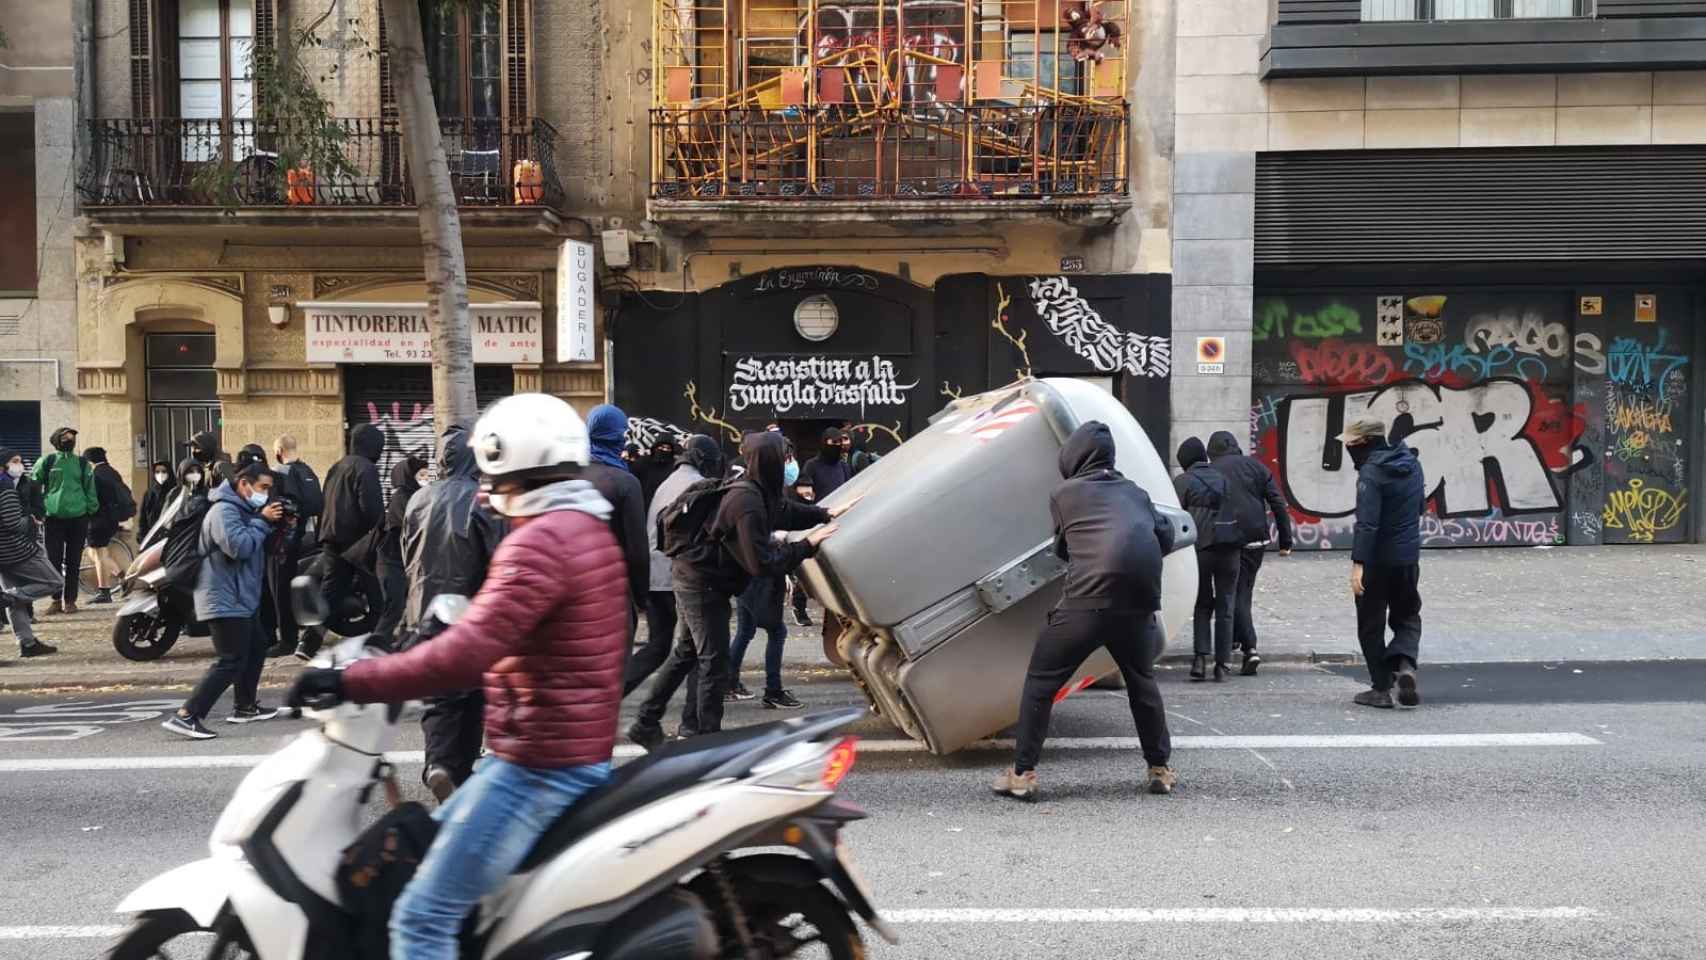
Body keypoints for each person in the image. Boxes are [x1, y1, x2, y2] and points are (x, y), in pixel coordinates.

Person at [288, 392, 626, 960]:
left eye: (496, 479)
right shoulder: (584, 525)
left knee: (421, 918)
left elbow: (467, 655)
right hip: (571, 749)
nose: (489, 497)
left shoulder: (539, 541)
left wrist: (357, 682)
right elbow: (518, 626)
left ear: (515, 466)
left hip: (536, 766)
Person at [993, 421, 1176, 802]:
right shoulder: (1136, 492)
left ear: (1074, 457)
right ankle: (1160, 769)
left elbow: (1062, 548)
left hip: (1086, 604)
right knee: (1142, 682)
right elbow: (1165, 536)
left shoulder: (1064, 494)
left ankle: (1023, 774)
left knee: (1041, 683)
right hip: (1138, 606)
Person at [629, 431, 843, 748]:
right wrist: (807, 545)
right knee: (714, 661)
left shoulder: (755, 491)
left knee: (688, 653)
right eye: (782, 458)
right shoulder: (747, 500)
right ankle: (707, 743)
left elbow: (784, 511)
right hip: (702, 584)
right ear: (769, 462)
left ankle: (647, 722)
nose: (787, 464)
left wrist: (823, 513)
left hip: (694, 575)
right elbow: (763, 563)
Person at [403, 426, 507, 801]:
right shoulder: (483, 501)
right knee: (473, 691)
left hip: (423, 608)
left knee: (439, 694)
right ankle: (458, 767)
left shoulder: (417, 499)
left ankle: (439, 764)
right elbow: (498, 560)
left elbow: (406, 555)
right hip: (469, 612)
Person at [162, 462, 288, 739]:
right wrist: (263, 521)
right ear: (244, 484)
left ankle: (245, 706)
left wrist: (274, 525)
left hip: (240, 596)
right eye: (262, 487)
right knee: (230, 659)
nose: (266, 494)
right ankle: (187, 715)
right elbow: (239, 547)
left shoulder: (245, 510)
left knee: (257, 645)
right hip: (222, 596)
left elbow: (257, 545)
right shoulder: (223, 510)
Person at [627, 434, 721, 708]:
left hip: (656, 574)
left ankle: (611, 697)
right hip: (676, 575)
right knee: (697, 649)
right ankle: (691, 722)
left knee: (660, 646)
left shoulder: (671, 481)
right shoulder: (696, 484)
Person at [1340, 415, 1426, 710]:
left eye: (1350, 442)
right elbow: (1420, 507)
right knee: (1408, 616)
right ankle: (1405, 665)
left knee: (1370, 625)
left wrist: (1358, 564)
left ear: (1364, 441)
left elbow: (1367, 523)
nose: (1348, 447)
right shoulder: (1413, 464)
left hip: (1376, 561)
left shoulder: (1370, 472)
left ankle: (1381, 689)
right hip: (1407, 558)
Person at [1206, 431, 1295, 675]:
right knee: (1243, 590)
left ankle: (1250, 648)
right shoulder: (1256, 467)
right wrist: (1285, 540)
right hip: (1256, 538)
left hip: (1225, 538)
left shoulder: (1211, 470)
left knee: (1234, 593)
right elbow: (1277, 502)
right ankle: (1240, 640)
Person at [299, 423, 385, 659]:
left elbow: (324, 502)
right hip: (357, 543)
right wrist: (379, 528)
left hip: (331, 540)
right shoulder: (365, 468)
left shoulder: (337, 466)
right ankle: (378, 642)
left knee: (330, 593)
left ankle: (308, 643)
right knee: (378, 595)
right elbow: (371, 508)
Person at [1174, 437, 1238, 682]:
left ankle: (1200, 659)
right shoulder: (1225, 479)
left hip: (1199, 550)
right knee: (1226, 604)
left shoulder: (1182, 482)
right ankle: (1222, 665)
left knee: (1202, 603)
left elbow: (1176, 518)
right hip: (1229, 548)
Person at [581, 405, 649, 632]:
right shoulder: (625, 482)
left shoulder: (565, 476)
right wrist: (641, 597)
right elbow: (637, 549)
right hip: (612, 594)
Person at [30, 427, 99, 615]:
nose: (70, 439)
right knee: (53, 561)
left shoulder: (83, 463)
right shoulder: (47, 461)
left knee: (73, 561)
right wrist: (39, 510)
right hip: (53, 518)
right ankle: (55, 600)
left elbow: (90, 488)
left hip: (78, 518)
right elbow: (34, 485)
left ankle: (70, 601)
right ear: (56, 440)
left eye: (72, 437)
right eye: (65, 436)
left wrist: (90, 509)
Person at [266, 435, 323, 657]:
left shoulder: (281, 473)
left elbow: (280, 508)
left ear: (279, 450)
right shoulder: (307, 471)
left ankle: (287, 641)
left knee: (280, 593)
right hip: (303, 539)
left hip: (282, 543)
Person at [0, 448, 60, 658]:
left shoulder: (25, 483)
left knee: (16, 597)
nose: (19, 464)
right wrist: (29, 521)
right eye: (14, 461)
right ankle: (5, 598)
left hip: (4, 552)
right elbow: (13, 523)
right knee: (54, 582)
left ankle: (27, 643)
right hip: (17, 548)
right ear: (3, 465)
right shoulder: (5, 487)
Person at [727, 566, 798, 708]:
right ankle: (773, 691)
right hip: (761, 582)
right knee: (777, 632)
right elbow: (770, 555)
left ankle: (728, 683)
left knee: (745, 631)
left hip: (746, 579)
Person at [373, 456, 426, 646]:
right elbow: (413, 526)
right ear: (408, 476)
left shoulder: (414, 495)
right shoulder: (402, 498)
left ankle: (398, 645)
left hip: (401, 562)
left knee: (404, 607)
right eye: (421, 475)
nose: (426, 478)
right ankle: (375, 645)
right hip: (391, 561)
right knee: (393, 609)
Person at [84, 446, 136, 605]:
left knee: (99, 554)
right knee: (94, 552)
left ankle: (104, 591)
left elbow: (93, 500)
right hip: (111, 520)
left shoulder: (95, 475)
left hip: (98, 520)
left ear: (89, 461)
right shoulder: (112, 472)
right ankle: (122, 577)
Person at [798, 427, 853, 503]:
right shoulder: (811, 465)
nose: (837, 445)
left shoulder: (844, 467)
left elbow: (849, 492)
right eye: (834, 442)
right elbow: (805, 496)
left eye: (839, 442)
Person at [636, 435, 680, 508]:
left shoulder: (675, 466)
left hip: (663, 506)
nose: (665, 450)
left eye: (668, 448)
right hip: (641, 504)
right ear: (656, 447)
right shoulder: (642, 462)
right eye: (662, 447)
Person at [138, 460, 174, 541]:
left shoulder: (174, 491)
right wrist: (142, 536)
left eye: (164, 471)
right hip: (152, 537)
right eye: (157, 472)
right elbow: (143, 518)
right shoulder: (149, 493)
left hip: (171, 537)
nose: (160, 474)